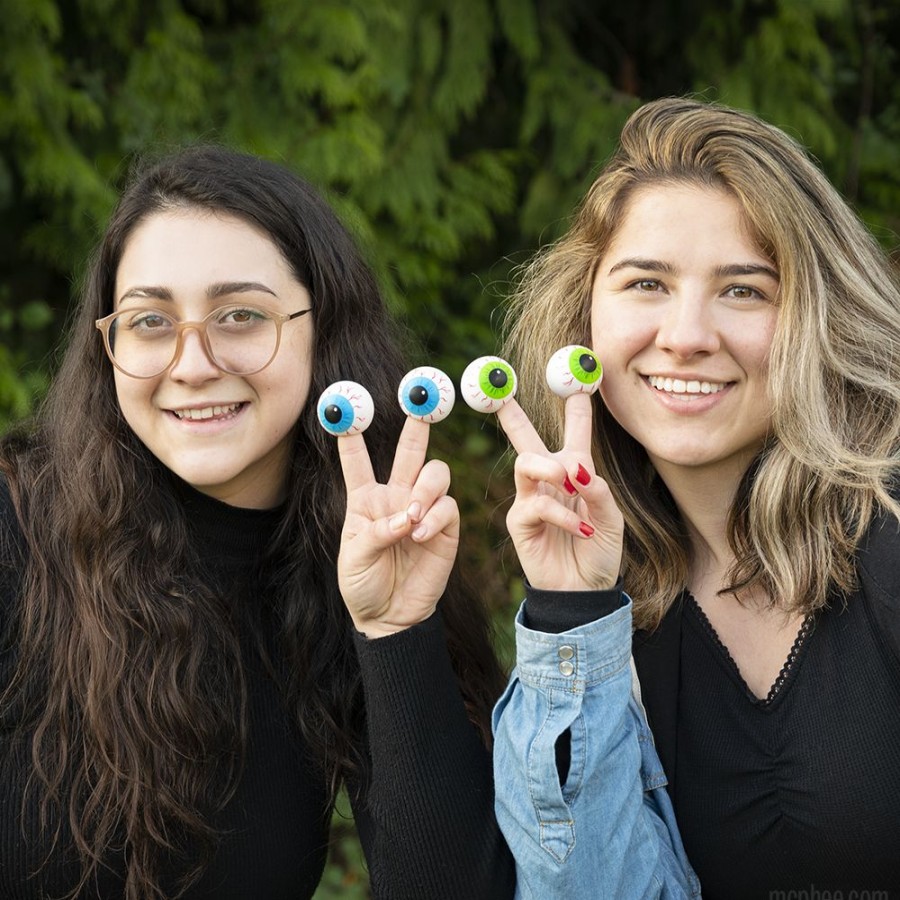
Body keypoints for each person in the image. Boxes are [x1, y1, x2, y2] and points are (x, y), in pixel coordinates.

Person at [0, 146, 515, 899]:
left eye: (240, 315)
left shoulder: (363, 558)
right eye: (149, 321)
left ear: (324, 328)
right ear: (106, 347)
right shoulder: (18, 534)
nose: (193, 362)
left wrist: (397, 632)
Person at [491, 97, 900, 899]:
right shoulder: (613, 593)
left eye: (744, 291)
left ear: (817, 317)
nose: (686, 335)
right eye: (647, 283)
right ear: (585, 323)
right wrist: (571, 618)